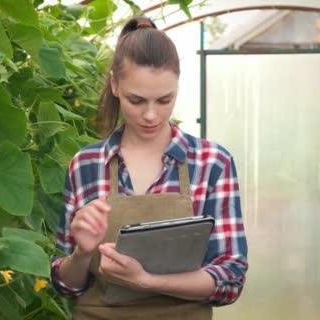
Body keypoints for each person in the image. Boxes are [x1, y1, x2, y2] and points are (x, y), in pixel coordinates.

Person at [50, 16, 248, 320]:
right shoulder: (86, 165)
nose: (151, 115)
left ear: (177, 88)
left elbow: (230, 278)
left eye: (164, 100)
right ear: (115, 85)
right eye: (136, 100)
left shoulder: (211, 162)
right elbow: (67, 287)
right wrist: (83, 253)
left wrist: (146, 280)